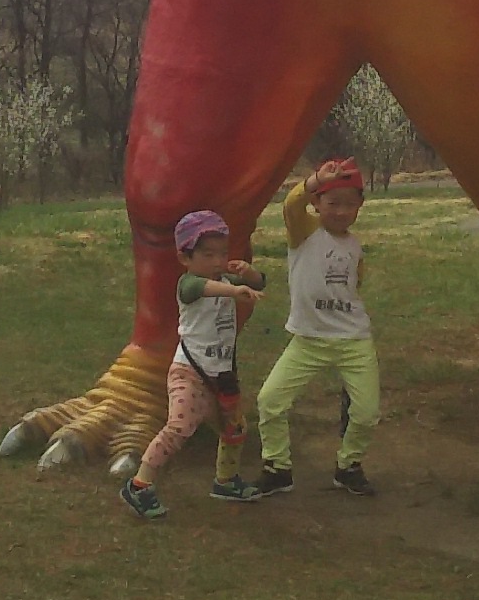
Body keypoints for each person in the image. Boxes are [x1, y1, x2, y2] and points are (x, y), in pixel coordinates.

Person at [117, 211, 266, 522]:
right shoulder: (188, 284)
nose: (217, 261)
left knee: (234, 428)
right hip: (189, 371)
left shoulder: (225, 280)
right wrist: (234, 290)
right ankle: (139, 485)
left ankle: (225, 482)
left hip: (221, 375)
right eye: (208, 254)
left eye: (222, 253)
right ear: (185, 257)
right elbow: (200, 289)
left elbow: (260, 282)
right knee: (179, 427)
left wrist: (249, 275)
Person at [257, 156, 380, 497]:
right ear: (317, 204)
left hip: (354, 340)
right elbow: (291, 205)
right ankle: (277, 467)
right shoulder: (305, 232)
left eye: (350, 205)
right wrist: (314, 180)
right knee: (270, 401)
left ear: (359, 207)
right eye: (333, 203)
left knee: (367, 413)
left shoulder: (354, 246)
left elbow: (355, 285)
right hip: (308, 339)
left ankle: (348, 466)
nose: (341, 212)